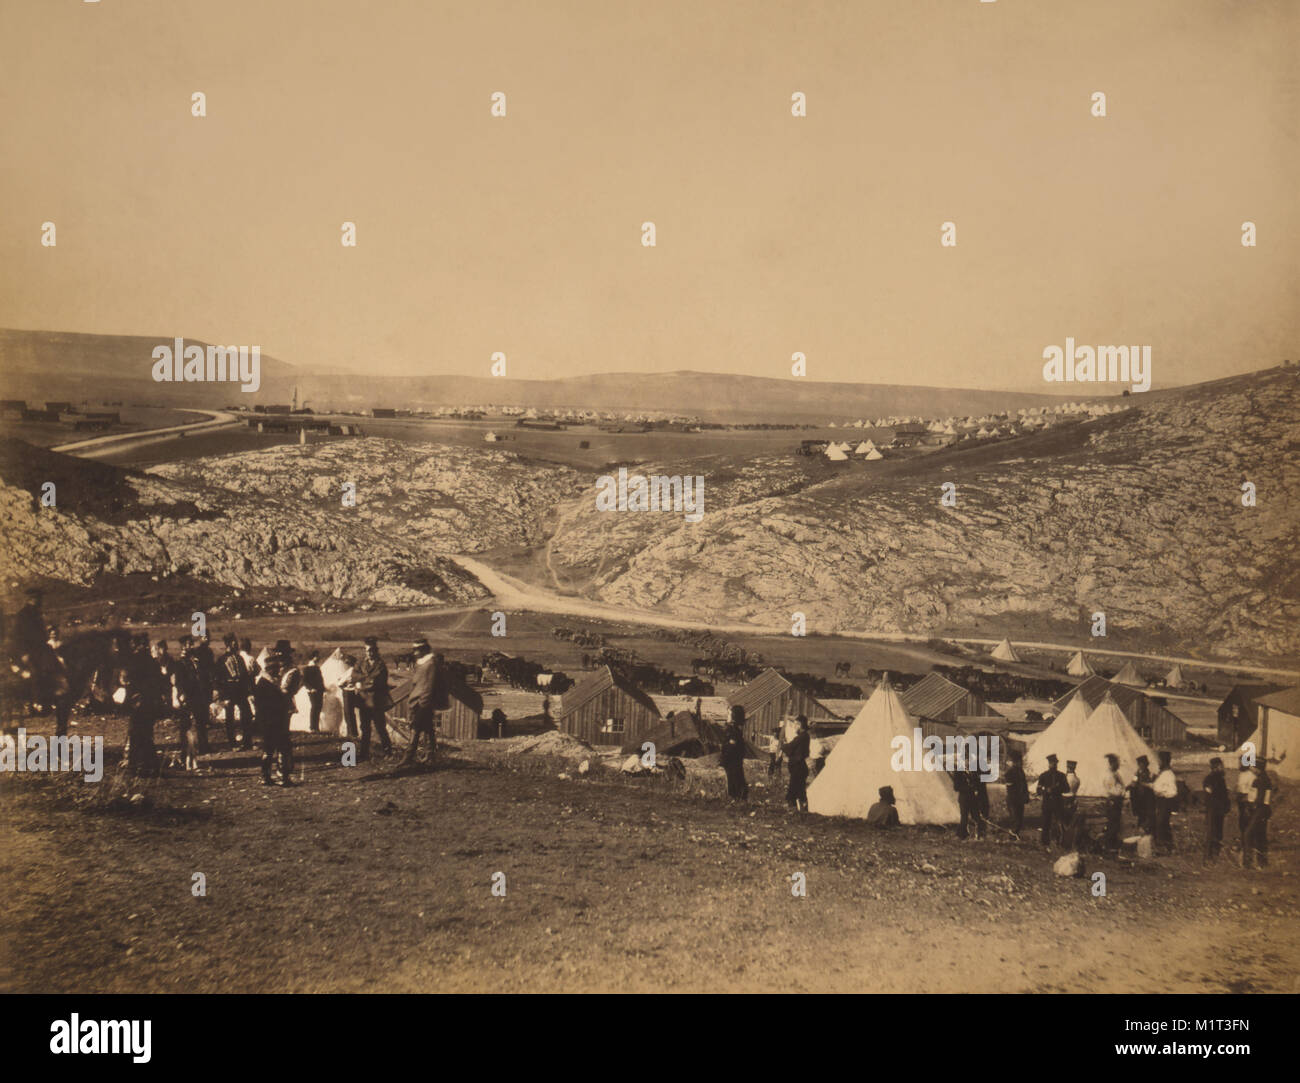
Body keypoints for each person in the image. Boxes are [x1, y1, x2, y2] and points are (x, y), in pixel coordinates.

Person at [253, 651, 293, 786]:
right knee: (282, 748)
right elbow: (274, 704)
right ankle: (283, 777)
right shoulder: (267, 685)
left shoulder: (262, 684)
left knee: (268, 749)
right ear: (271, 670)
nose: (279, 671)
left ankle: (266, 776)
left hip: (266, 723)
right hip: (275, 722)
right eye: (276, 669)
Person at [350, 636, 392, 760]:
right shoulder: (361, 662)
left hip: (376, 701)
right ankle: (364, 753)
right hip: (363, 701)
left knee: (380, 727)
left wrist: (361, 682)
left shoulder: (380, 665)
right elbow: (353, 676)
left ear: (376, 650)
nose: (369, 653)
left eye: (372, 650)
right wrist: (362, 681)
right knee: (365, 728)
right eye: (367, 650)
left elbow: (376, 682)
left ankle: (388, 752)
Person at [400, 638, 438, 766]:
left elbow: (429, 686)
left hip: (423, 703)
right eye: (414, 649)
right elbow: (415, 684)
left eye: (416, 649)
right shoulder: (420, 664)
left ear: (423, 650)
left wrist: (423, 704)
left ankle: (408, 756)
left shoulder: (430, 664)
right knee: (428, 729)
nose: (414, 652)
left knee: (415, 728)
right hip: (416, 701)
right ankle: (431, 755)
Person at [218, 633, 253, 748]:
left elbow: (245, 675)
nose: (236, 644)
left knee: (247, 714)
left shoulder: (239, 658)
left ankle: (247, 741)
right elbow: (219, 679)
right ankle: (232, 743)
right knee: (230, 718)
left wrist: (248, 690)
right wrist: (223, 696)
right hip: (229, 690)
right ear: (229, 644)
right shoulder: (222, 660)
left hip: (241, 690)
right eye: (234, 642)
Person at [1035, 753, 1069, 848]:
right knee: (1045, 823)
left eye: (1055, 763)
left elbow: (1067, 789)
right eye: (1052, 763)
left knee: (1058, 823)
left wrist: (1055, 790)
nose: (1054, 765)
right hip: (1047, 803)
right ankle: (1045, 842)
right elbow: (1038, 790)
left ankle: (1058, 841)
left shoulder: (1061, 776)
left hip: (1058, 803)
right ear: (1048, 764)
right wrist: (1046, 790)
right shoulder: (1043, 776)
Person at [1242, 762, 1272, 869]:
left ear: (1258, 769)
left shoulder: (1260, 780)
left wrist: (1250, 806)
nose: (1251, 769)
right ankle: (1262, 862)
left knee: (1248, 834)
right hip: (1264, 810)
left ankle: (1247, 862)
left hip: (1259, 810)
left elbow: (1259, 799)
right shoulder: (1265, 779)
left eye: (1253, 767)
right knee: (1260, 835)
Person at [1202, 757, 1229, 863]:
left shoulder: (1221, 779)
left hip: (1219, 810)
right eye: (1221, 766)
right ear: (1216, 767)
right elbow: (1210, 792)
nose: (1223, 768)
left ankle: (1214, 855)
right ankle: (1208, 856)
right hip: (1213, 809)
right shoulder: (1209, 779)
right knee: (1211, 832)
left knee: (1218, 833)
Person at [720, 705, 749, 801]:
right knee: (736, 779)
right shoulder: (735, 730)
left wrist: (723, 759)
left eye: (729, 713)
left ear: (734, 717)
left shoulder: (733, 731)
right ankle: (739, 798)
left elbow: (730, 748)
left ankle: (737, 799)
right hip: (734, 760)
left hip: (732, 761)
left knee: (734, 779)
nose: (727, 715)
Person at [782, 715, 810, 811]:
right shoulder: (803, 736)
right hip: (798, 767)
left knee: (795, 788)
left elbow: (790, 747)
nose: (794, 727)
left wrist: (783, 746)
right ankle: (801, 809)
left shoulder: (802, 737)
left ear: (800, 725)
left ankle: (795, 808)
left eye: (795, 724)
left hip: (799, 767)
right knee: (799, 788)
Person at [1152, 750, 1178, 852]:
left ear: (1164, 761)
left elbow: (1173, 791)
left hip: (1165, 802)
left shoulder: (1168, 775)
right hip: (1161, 801)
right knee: (1162, 823)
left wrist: (1161, 793)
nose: (1158, 763)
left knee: (1161, 823)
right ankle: (1167, 846)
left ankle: (1165, 846)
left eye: (1159, 761)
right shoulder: (1162, 773)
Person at [1101, 753, 1126, 854]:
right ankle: (1109, 846)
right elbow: (1112, 790)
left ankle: (1113, 844)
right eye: (1117, 763)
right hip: (1113, 802)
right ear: (1112, 763)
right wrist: (1121, 791)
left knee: (1116, 824)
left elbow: (1121, 787)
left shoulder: (1115, 774)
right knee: (1112, 823)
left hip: (1117, 801)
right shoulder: (1109, 776)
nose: (1119, 765)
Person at [955, 767, 989, 839]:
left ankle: (980, 834)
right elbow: (956, 787)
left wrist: (976, 788)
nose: (967, 762)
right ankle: (962, 835)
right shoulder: (958, 772)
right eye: (965, 760)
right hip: (964, 798)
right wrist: (969, 788)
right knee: (964, 817)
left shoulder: (973, 771)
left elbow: (976, 782)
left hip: (973, 798)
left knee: (977, 816)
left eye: (968, 760)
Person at [1235, 754, 1256, 857]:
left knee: (1246, 823)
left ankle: (1248, 845)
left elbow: (1251, 791)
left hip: (1247, 801)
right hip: (1241, 801)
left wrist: (1246, 799)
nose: (1239, 764)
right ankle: (1243, 843)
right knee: (1241, 823)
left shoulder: (1251, 775)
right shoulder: (1241, 774)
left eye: (1241, 762)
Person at [1129, 754, 1156, 834]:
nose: (1140, 766)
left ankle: (1146, 829)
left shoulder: (1150, 774)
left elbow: (1151, 784)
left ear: (1146, 764)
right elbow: (1133, 783)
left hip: (1147, 797)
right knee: (1140, 813)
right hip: (1139, 797)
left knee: (1147, 813)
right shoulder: (1137, 773)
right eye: (1139, 764)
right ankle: (1140, 828)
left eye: (1142, 764)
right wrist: (1132, 784)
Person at [1004, 751, 1029, 835]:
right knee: (1015, 819)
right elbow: (1010, 789)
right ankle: (1012, 837)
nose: (1020, 763)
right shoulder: (1009, 772)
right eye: (1019, 761)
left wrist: (1026, 796)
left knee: (1020, 819)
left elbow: (1024, 785)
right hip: (1013, 799)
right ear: (1015, 762)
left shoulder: (1021, 771)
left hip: (1019, 799)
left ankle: (1015, 835)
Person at [301, 650, 325, 733]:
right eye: (317, 656)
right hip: (312, 691)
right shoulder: (307, 668)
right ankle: (312, 727)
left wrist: (323, 688)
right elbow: (304, 680)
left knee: (318, 707)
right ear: (313, 657)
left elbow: (320, 680)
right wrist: (311, 688)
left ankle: (316, 727)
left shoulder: (317, 667)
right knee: (314, 707)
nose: (318, 658)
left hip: (319, 690)